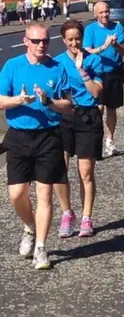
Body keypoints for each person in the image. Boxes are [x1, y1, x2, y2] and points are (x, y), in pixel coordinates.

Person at [0, 23, 73, 270]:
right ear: (25, 41)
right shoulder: (12, 66)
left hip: (49, 137)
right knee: (16, 194)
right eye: (35, 41)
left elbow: (68, 104)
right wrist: (18, 100)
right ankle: (29, 227)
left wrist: (48, 101)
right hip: (19, 136)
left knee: (45, 193)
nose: (41, 45)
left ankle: (41, 248)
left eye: (44, 41)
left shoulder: (57, 68)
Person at [53, 20, 105, 238]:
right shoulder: (56, 63)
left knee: (85, 172)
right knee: (59, 171)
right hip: (64, 117)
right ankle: (67, 213)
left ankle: (86, 217)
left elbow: (97, 93)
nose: (74, 42)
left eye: (78, 38)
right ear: (64, 40)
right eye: (70, 39)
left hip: (88, 117)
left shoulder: (94, 60)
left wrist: (81, 70)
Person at [83, 1, 124, 157]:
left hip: (114, 73)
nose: (104, 15)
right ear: (95, 14)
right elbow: (88, 51)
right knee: (98, 108)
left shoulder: (117, 27)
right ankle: (96, 141)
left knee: (111, 108)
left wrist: (115, 45)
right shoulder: (90, 30)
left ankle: (109, 141)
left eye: (106, 11)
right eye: (101, 12)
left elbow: (123, 52)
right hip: (97, 74)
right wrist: (104, 46)